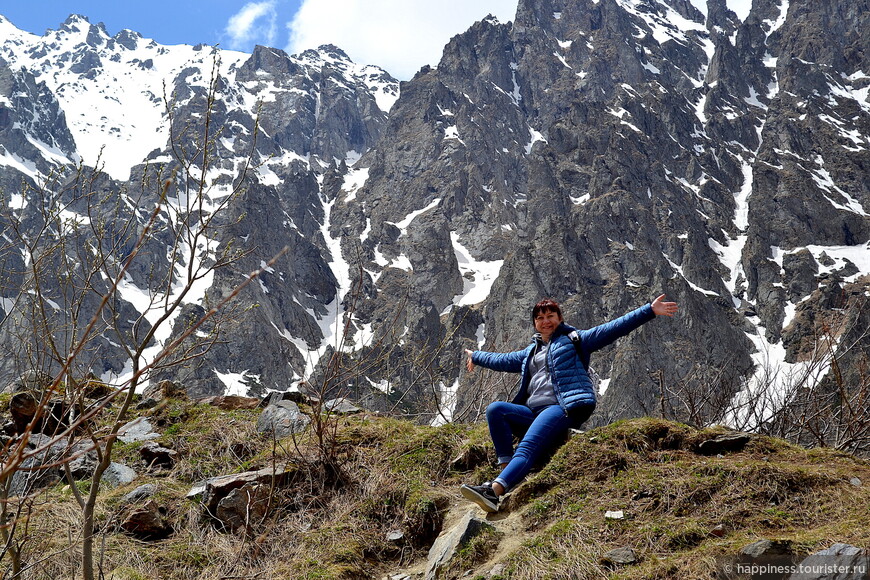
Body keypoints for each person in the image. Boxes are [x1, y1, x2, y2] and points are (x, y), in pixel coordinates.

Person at [460, 294, 678, 513]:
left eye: (550, 316)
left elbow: (613, 328)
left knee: (527, 447)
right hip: (533, 411)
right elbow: (502, 360)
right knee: (496, 410)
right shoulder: (531, 352)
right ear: (535, 323)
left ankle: (494, 491)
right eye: (540, 317)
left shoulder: (576, 340)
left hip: (563, 407)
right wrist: (476, 356)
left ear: (560, 318)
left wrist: (649, 310)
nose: (545, 321)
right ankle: (507, 471)